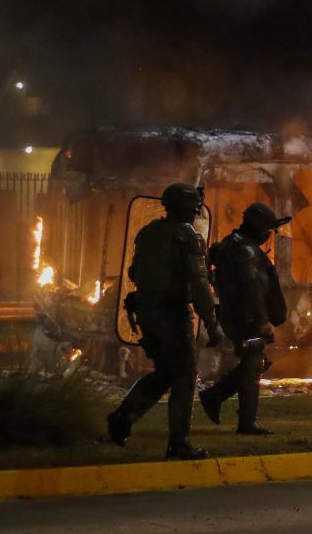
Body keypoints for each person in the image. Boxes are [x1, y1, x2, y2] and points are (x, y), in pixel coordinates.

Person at [107, 182, 221, 459]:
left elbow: (135, 271)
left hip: (146, 311)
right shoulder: (188, 237)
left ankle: (124, 416)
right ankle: (178, 443)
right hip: (172, 314)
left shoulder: (148, 233)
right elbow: (199, 284)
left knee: (165, 372)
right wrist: (212, 323)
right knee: (183, 377)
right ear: (190, 209)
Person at [200, 203, 290, 435]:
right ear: (259, 229)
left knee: (254, 363)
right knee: (252, 365)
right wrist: (262, 321)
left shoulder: (235, 244)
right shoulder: (245, 251)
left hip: (238, 314)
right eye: (267, 230)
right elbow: (251, 289)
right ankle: (245, 421)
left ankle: (215, 397)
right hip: (245, 317)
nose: (268, 235)